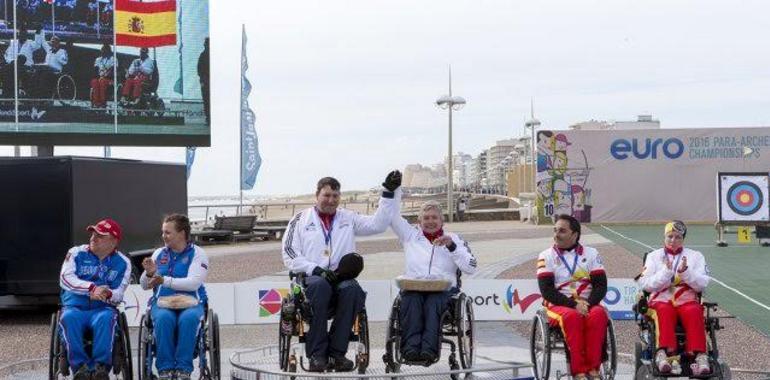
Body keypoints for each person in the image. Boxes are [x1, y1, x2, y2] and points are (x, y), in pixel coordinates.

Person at [281, 171, 402, 372]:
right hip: (311, 278)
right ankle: (318, 355)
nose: (331, 200)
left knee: (352, 290)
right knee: (320, 286)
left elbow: (378, 224)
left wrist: (388, 193)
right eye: (326, 195)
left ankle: (337, 354)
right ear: (317, 195)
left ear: (339, 197)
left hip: (340, 277)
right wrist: (315, 269)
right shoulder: (300, 219)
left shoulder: (348, 218)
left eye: (335, 196)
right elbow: (289, 253)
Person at [391, 200, 477, 363]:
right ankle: (410, 350)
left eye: (434, 218)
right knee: (411, 300)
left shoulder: (455, 239)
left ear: (442, 220)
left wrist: (451, 247)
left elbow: (471, 267)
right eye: (426, 218)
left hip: (443, 290)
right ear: (419, 222)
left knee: (433, 303)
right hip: (414, 287)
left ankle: (429, 351)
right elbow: (392, 216)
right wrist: (392, 191)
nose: (430, 221)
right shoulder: (410, 235)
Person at [536, 214, 608, 380]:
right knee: (572, 317)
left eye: (562, 231)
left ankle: (593, 369)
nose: (556, 234)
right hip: (558, 305)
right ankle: (579, 372)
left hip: (588, 302)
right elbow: (547, 291)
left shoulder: (591, 253)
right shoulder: (545, 256)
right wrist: (573, 305)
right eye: (555, 230)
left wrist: (588, 304)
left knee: (598, 315)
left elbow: (600, 285)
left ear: (574, 235)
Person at [58, 219, 132, 380]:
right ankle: (79, 368)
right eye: (93, 233)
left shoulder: (123, 263)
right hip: (75, 306)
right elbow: (65, 278)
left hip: (102, 307)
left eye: (100, 236)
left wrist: (107, 293)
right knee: (69, 318)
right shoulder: (76, 253)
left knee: (106, 318)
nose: (93, 238)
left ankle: (101, 367)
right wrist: (91, 288)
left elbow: (119, 293)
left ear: (113, 241)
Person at [140, 214, 210, 380]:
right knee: (164, 319)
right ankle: (165, 369)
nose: (163, 236)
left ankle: (183, 369)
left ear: (182, 233)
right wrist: (149, 273)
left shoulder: (198, 254)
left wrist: (164, 280)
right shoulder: (159, 253)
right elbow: (144, 285)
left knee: (189, 319)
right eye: (163, 232)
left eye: (168, 232)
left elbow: (193, 283)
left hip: (191, 302)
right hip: (163, 302)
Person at [637, 221, 711, 376]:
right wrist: (666, 272)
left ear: (683, 239)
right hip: (660, 300)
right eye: (670, 236)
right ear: (664, 237)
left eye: (677, 237)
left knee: (694, 310)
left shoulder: (696, 256)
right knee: (664, 309)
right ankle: (663, 354)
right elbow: (644, 284)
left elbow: (703, 283)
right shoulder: (654, 256)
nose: (673, 240)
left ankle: (700, 356)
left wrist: (686, 273)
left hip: (686, 300)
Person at [90, 43, 115, 108]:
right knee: (94, 81)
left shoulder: (113, 59)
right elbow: (95, 70)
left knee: (102, 81)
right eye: (102, 50)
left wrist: (104, 76)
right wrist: (99, 77)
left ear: (108, 51)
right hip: (100, 77)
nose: (102, 51)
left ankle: (102, 102)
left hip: (109, 79)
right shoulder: (98, 59)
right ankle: (96, 102)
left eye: (104, 50)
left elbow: (112, 70)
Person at [197, 37, 210, 124]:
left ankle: (208, 118)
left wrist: (202, 80)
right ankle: (209, 118)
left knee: (206, 100)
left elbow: (199, 70)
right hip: (206, 81)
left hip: (205, 81)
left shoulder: (203, 55)